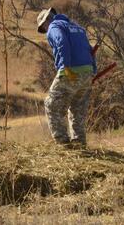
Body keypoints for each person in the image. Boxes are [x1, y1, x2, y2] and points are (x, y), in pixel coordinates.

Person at [38, 8, 97, 147]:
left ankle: (62, 142)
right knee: (77, 108)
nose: (45, 30)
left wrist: (65, 67)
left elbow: (61, 42)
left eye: (43, 27)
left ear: (47, 20)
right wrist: (93, 70)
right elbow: (90, 50)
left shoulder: (54, 26)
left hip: (71, 70)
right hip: (87, 72)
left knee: (51, 104)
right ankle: (79, 143)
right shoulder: (78, 28)